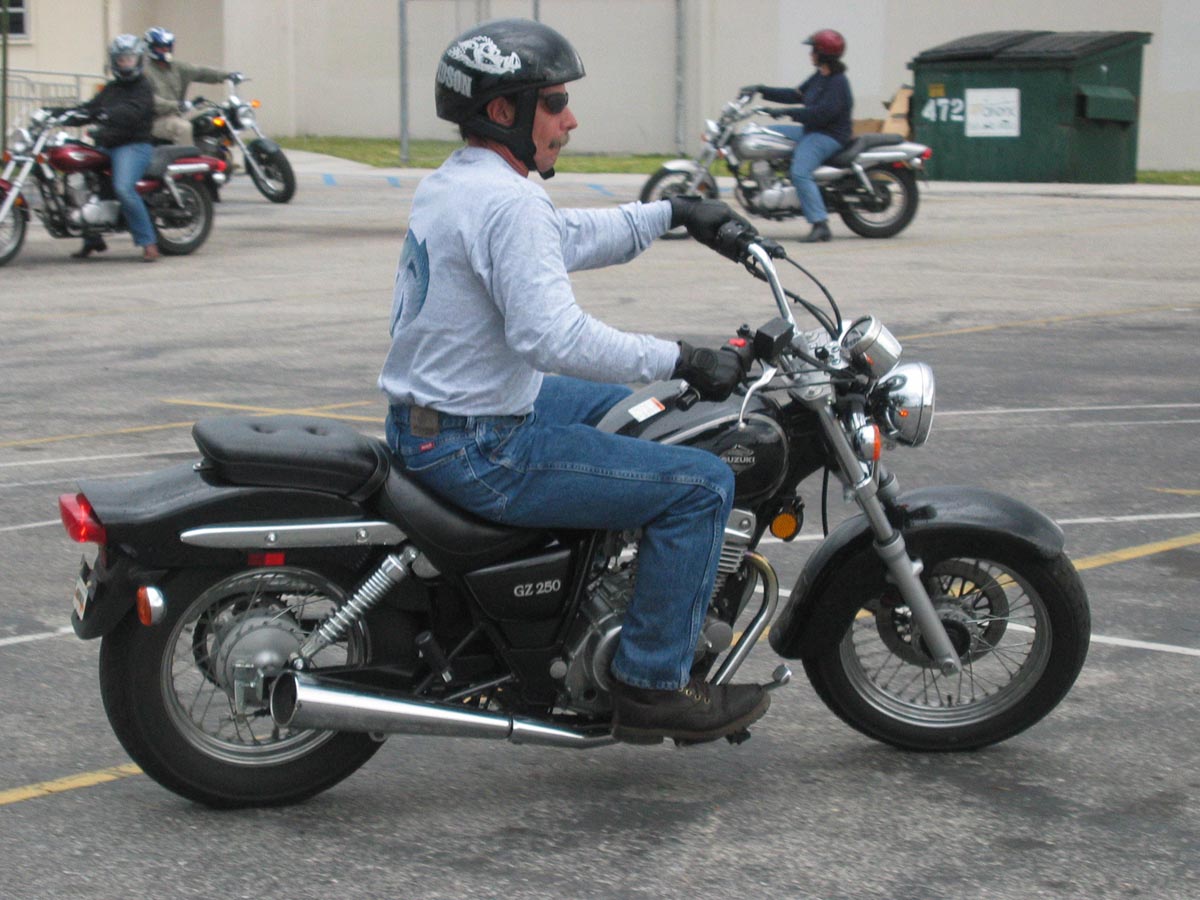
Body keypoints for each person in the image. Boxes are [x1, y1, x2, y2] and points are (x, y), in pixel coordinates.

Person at [380, 18, 770, 745]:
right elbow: (552, 338)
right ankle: (653, 681)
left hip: (436, 419)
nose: (570, 119)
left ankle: (596, 586)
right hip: (479, 445)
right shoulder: (509, 201)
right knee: (701, 484)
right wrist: (683, 359)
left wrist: (676, 212)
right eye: (555, 102)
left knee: (642, 412)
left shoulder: (460, 183)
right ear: (505, 110)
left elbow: (565, 238)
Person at [743, 28, 853, 243]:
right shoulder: (820, 76)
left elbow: (821, 114)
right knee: (765, 135)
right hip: (811, 130)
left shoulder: (837, 82)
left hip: (828, 135)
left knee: (800, 172)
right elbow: (796, 94)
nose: (810, 54)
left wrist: (786, 112)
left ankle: (820, 224)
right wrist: (761, 90)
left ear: (824, 54)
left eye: (814, 50)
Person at [74, 34, 158, 262]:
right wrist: (64, 114)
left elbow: (134, 111)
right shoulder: (111, 88)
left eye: (130, 59)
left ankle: (148, 242)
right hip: (108, 144)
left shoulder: (143, 87)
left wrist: (107, 114)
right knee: (82, 183)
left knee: (123, 188)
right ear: (114, 61)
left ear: (138, 60)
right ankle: (93, 239)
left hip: (133, 145)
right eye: (121, 59)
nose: (125, 63)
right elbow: (91, 107)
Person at [142, 26, 240, 145]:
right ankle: (188, 156)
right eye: (160, 47)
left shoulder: (177, 67)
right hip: (154, 121)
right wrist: (179, 105)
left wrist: (228, 75)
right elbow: (150, 100)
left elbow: (200, 72)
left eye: (168, 47)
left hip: (176, 115)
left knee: (212, 119)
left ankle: (215, 152)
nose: (165, 50)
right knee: (183, 128)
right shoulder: (144, 72)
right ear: (150, 47)